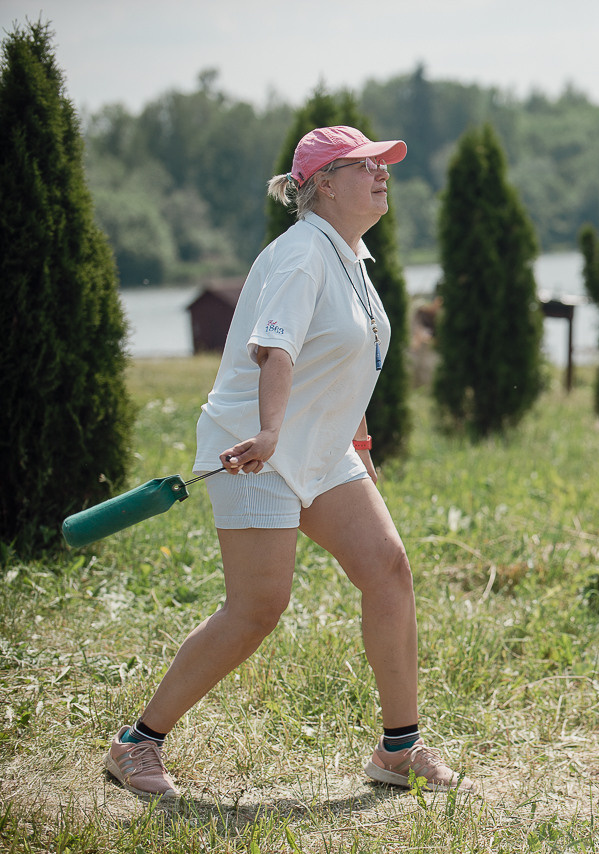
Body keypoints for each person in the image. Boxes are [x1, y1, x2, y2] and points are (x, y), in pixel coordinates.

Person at [104, 126, 475, 799]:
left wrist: (357, 448)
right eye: (365, 166)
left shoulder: (349, 257)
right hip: (254, 448)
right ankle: (137, 743)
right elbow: (275, 352)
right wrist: (272, 430)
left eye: (382, 165)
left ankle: (398, 749)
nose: (382, 174)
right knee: (258, 607)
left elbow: (345, 366)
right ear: (323, 184)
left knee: (388, 570)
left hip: (319, 450)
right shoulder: (303, 255)